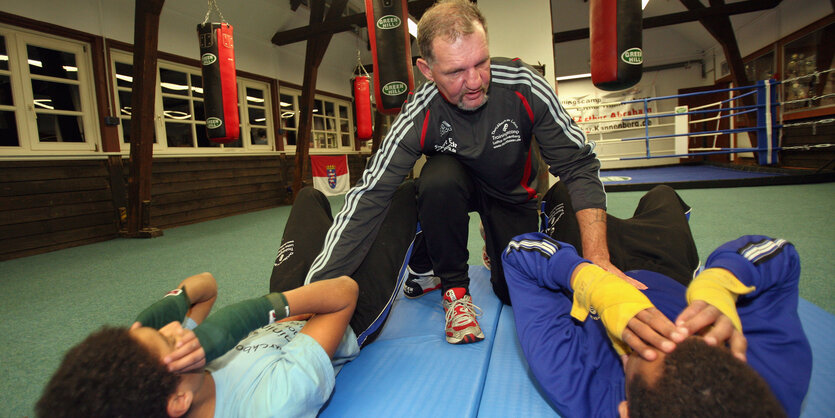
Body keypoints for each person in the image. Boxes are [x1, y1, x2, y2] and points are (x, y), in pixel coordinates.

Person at [304, 0, 617, 345]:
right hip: (453, 189)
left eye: (481, 63)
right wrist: (312, 292)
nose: (474, 82)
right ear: (426, 69)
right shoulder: (419, 112)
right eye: (455, 72)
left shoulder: (523, 84)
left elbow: (578, 164)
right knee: (436, 179)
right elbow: (370, 194)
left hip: (510, 194)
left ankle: (492, 236)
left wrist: (598, 258)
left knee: (512, 292)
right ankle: (453, 289)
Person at [36, 183, 417, 417]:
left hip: (281, 307)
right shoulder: (271, 405)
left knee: (308, 197)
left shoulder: (184, 371)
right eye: (168, 338)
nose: (174, 329)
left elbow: (205, 286)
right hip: (339, 315)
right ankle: (426, 259)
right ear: (178, 401)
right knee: (403, 196)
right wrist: (258, 311)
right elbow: (344, 293)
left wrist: (149, 325)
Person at [501, 184, 812, 417]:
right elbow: (778, 252)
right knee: (664, 195)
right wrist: (721, 283)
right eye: (693, 334)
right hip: (669, 268)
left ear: (625, 411)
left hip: (592, 267)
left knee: (567, 193)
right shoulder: (771, 388)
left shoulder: (581, 389)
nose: (658, 328)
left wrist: (592, 283)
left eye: (636, 345)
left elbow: (520, 253)